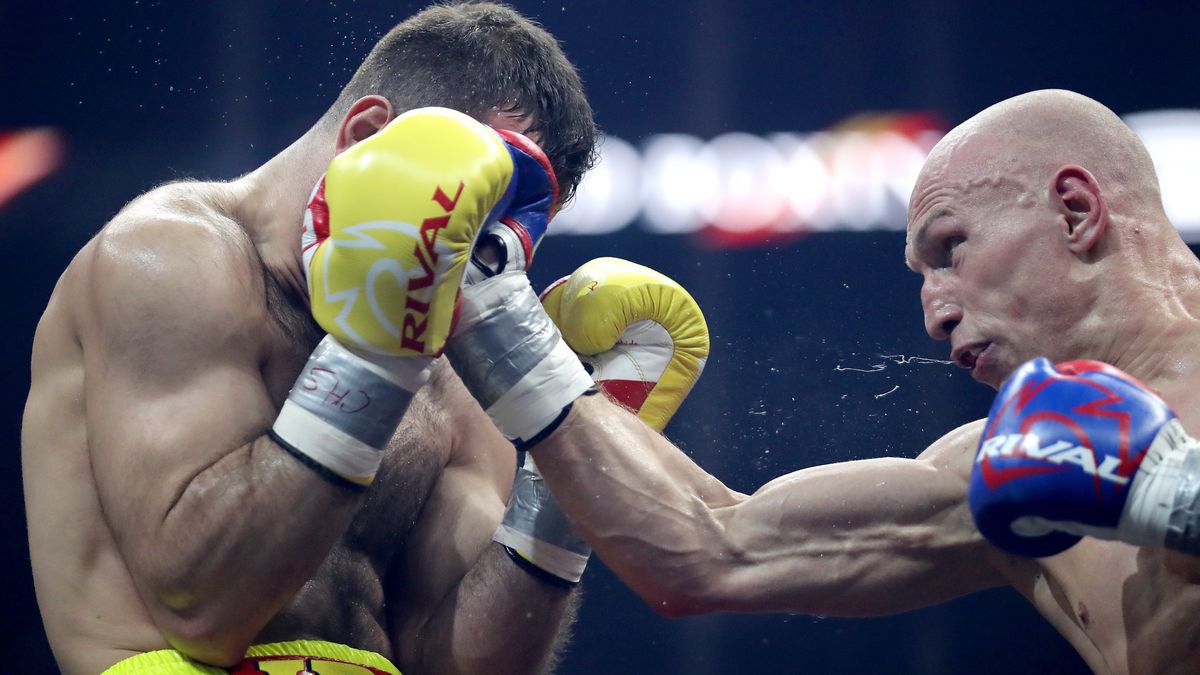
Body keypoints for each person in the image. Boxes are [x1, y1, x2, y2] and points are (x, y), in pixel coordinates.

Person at [436, 89, 1200, 675]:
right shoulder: (1010, 463)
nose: (933, 313)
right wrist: (508, 327)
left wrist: (1181, 498)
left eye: (951, 249)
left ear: (1075, 209)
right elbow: (712, 547)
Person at [13, 2, 661, 673]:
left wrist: (560, 490)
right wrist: (377, 350)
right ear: (368, 134)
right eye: (466, 199)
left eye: (500, 222)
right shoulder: (169, 258)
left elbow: (462, 664)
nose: (473, 251)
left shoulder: (454, 346)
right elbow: (201, 609)